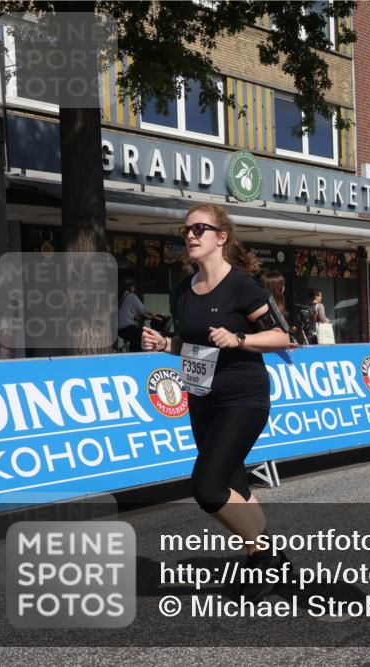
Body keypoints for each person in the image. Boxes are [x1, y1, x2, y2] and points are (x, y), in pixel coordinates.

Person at [141, 204, 296, 602]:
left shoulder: (243, 286)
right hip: (202, 396)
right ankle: (262, 558)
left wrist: (240, 339)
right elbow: (190, 344)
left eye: (200, 228)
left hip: (244, 395)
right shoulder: (183, 290)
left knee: (208, 488)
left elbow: (283, 338)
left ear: (221, 237)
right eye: (187, 229)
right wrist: (164, 345)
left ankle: (269, 557)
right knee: (232, 482)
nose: (191, 235)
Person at [117, 278, 154, 351]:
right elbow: (142, 309)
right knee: (143, 336)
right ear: (130, 287)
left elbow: (126, 313)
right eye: (133, 287)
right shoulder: (131, 296)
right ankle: (136, 356)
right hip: (127, 327)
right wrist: (154, 315)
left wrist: (139, 317)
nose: (134, 289)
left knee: (135, 338)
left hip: (118, 329)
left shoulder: (120, 298)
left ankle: (131, 352)